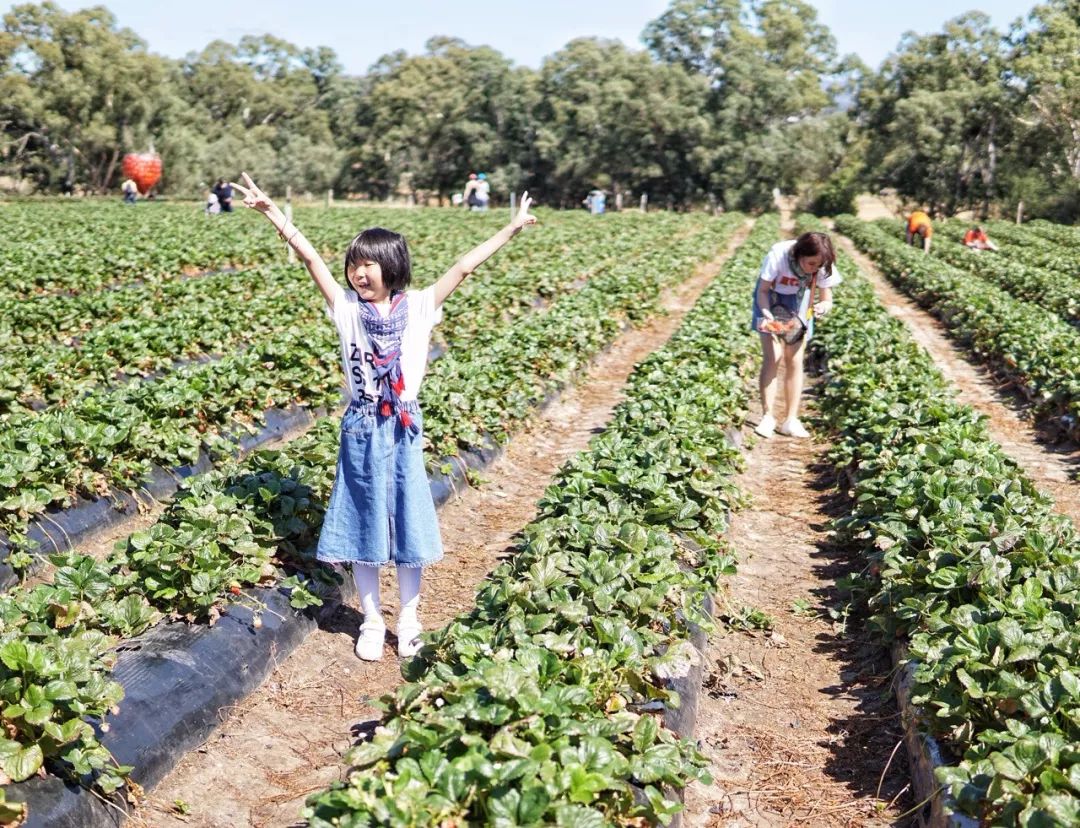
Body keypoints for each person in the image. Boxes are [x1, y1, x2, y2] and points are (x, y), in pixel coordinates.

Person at [230, 171, 537, 661]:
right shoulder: (346, 308)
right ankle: (372, 621)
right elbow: (310, 258)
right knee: (363, 521)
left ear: (391, 266)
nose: (358, 273)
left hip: (403, 424)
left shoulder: (420, 306)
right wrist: (273, 215)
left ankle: (409, 620)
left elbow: (464, 266)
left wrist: (512, 228)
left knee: (409, 518)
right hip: (361, 423)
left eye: (367, 264)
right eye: (354, 264)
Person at [751, 232, 842, 439]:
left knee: (794, 359)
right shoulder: (779, 254)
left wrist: (823, 306)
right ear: (799, 254)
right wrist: (768, 315)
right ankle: (767, 416)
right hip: (769, 299)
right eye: (811, 264)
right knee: (773, 356)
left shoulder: (823, 262)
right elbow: (762, 291)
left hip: (799, 302)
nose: (815, 269)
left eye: (819, 265)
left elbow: (827, 298)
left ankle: (790, 420)